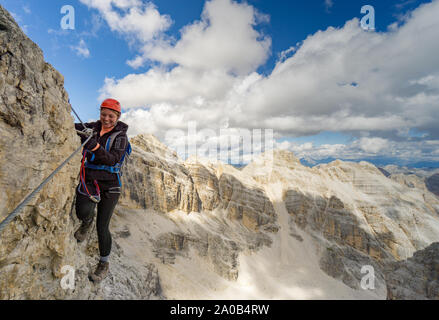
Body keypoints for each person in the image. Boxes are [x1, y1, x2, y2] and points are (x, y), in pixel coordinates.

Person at [74, 98, 129, 283]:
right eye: (103, 114)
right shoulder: (93, 127)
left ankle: (104, 263)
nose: (106, 119)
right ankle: (86, 221)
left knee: (102, 226)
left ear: (117, 117)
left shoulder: (120, 136)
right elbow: (73, 126)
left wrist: (95, 147)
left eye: (111, 116)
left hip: (111, 185)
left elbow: (113, 159)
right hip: (90, 178)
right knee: (82, 211)